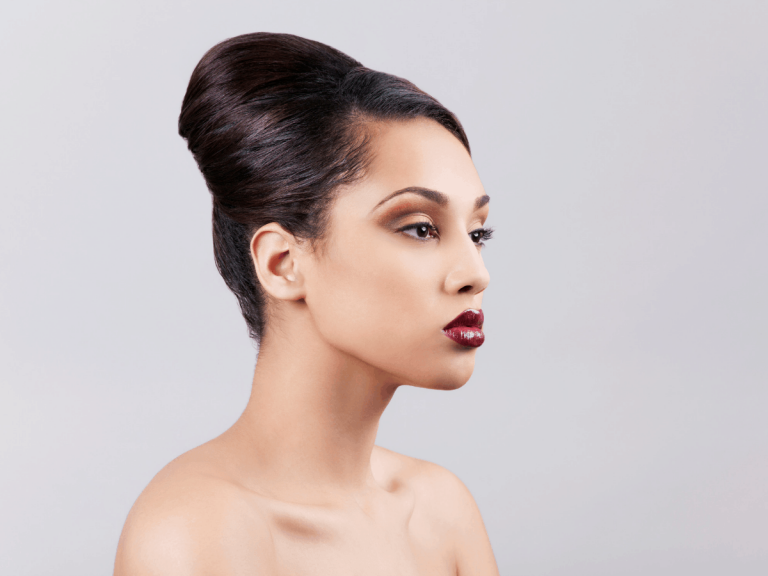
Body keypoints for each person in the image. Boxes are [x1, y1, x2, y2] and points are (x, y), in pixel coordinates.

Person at [114, 32, 499, 575]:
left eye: (478, 234)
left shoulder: (442, 512)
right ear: (282, 263)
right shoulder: (195, 533)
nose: (474, 274)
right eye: (419, 228)